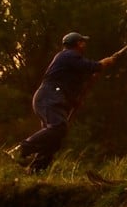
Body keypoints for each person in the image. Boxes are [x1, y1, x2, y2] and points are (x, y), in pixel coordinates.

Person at [7, 32, 116, 173]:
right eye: (83, 41)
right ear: (78, 43)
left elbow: (69, 83)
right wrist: (102, 64)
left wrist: (74, 101)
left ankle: (35, 170)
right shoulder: (68, 55)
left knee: (54, 139)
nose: (85, 44)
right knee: (58, 127)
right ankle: (20, 150)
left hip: (51, 96)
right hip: (49, 95)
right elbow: (89, 66)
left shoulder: (69, 62)